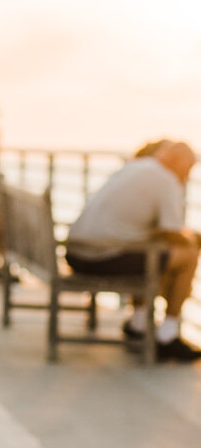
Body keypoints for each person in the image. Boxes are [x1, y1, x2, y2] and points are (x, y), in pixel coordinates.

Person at [65, 141, 200, 362]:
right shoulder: (166, 180)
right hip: (100, 257)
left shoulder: (135, 166)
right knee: (188, 255)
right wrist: (193, 237)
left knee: (150, 251)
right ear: (177, 163)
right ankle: (168, 335)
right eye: (188, 169)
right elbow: (173, 233)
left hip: (77, 252)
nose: (187, 177)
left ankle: (139, 323)